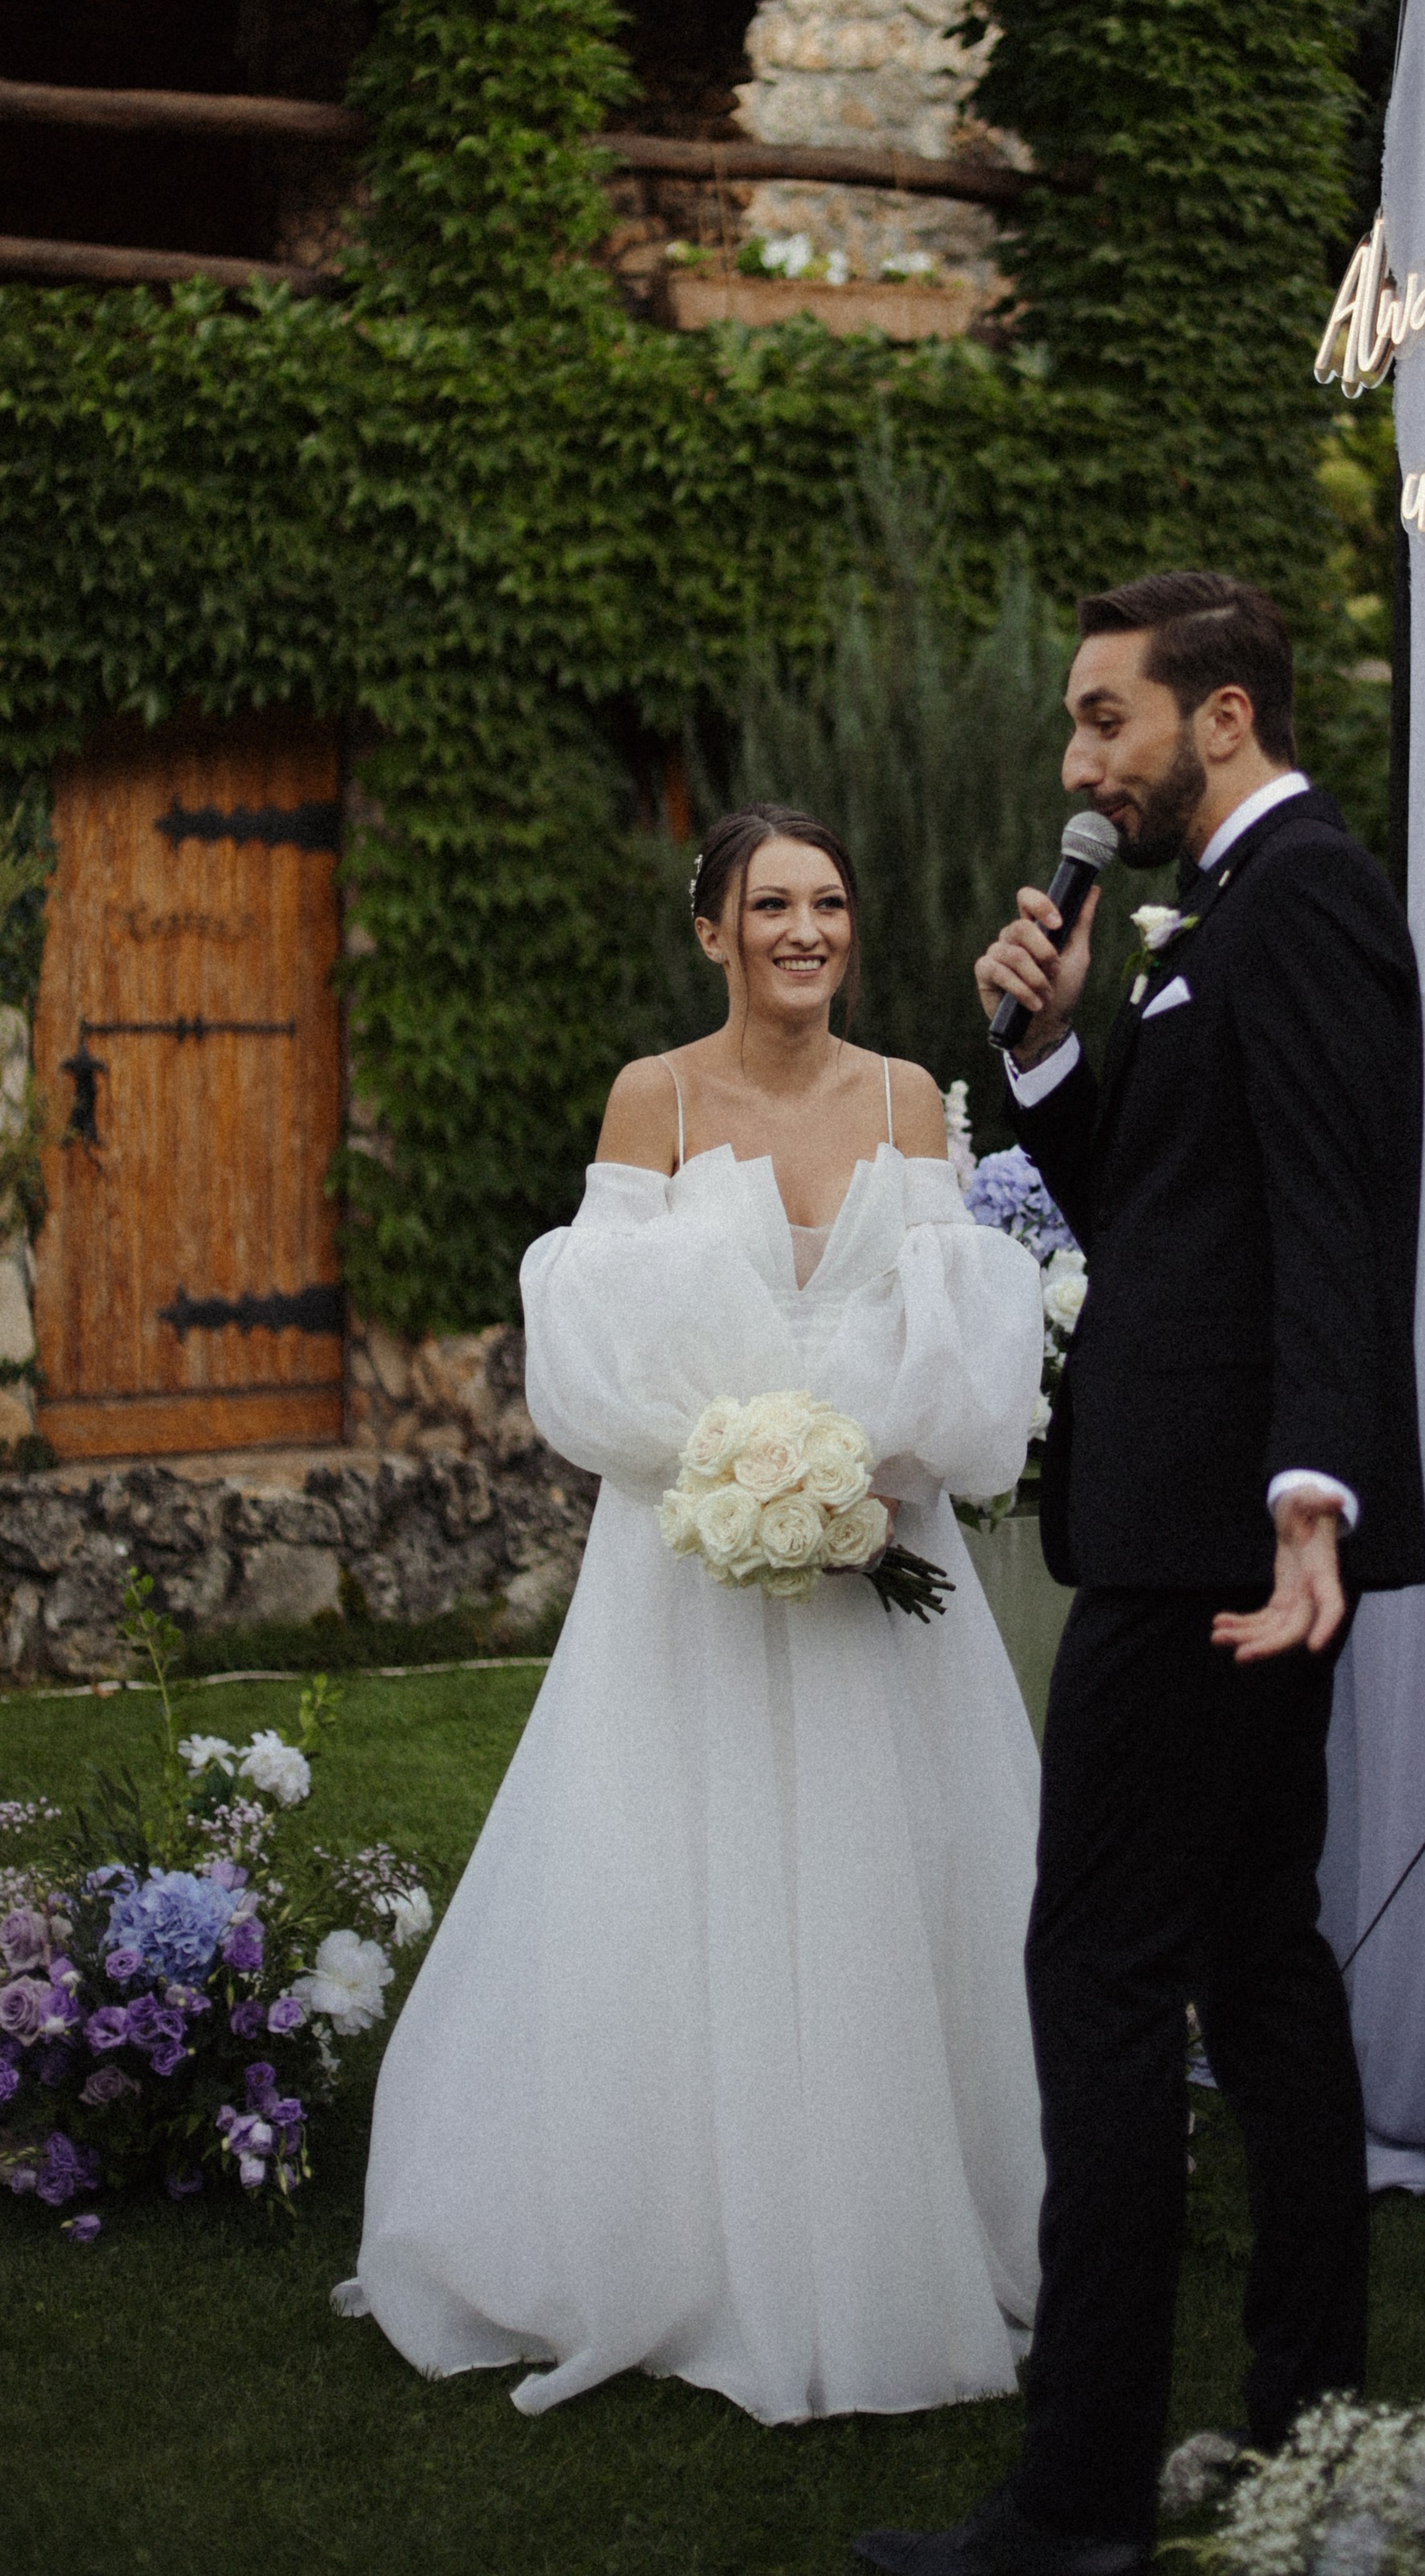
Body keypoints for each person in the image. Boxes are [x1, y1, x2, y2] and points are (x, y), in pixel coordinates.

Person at [334, 804, 1048, 2422]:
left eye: (831, 903)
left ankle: (897, 2223)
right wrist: (737, 1468)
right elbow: (597, 1347)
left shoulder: (909, 1096)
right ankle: (675, 2238)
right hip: (691, 1566)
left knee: (899, 1877)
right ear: (713, 928)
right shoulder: (651, 1097)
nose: (807, 931)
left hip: (881, 1554)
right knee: (674, 1877)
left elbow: (959, 1328)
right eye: (772, 904)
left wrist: (863, 1471)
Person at [858, 573, 1425, 2576]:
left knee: (1097, 1972)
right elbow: (1172, 1223)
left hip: (1213, 1548)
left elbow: (1341, 1215)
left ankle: (1077, 2500)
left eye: (1106, 718)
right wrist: (1044, 1054)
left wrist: (1307, 1498)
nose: (1078, 760)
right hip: (1209, 1529)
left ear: (1223, 716)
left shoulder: (1308, 899)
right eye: (1074, 726)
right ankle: (1306, 2428)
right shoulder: (1222, 918)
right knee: (1253, 1961)